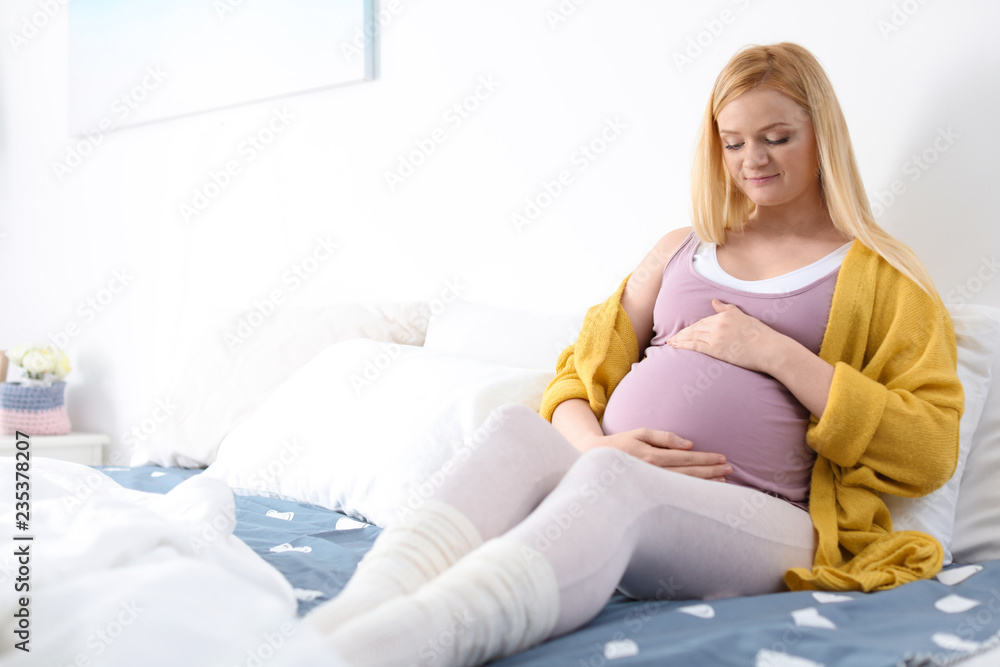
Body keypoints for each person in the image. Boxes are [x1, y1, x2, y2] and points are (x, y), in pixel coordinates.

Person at [304, 42, 964, 666]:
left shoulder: (884, 278)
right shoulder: (681, 247)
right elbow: (576, 374)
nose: (751, 160)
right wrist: (592, 447)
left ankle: (416, 639)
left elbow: (928, 449)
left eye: (777, 137)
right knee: (514, 428)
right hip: (609, 479)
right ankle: (350, 617)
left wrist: (774, 352)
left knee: (616, 483)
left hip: (768, 518)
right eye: (732, 143)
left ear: (823, 135)